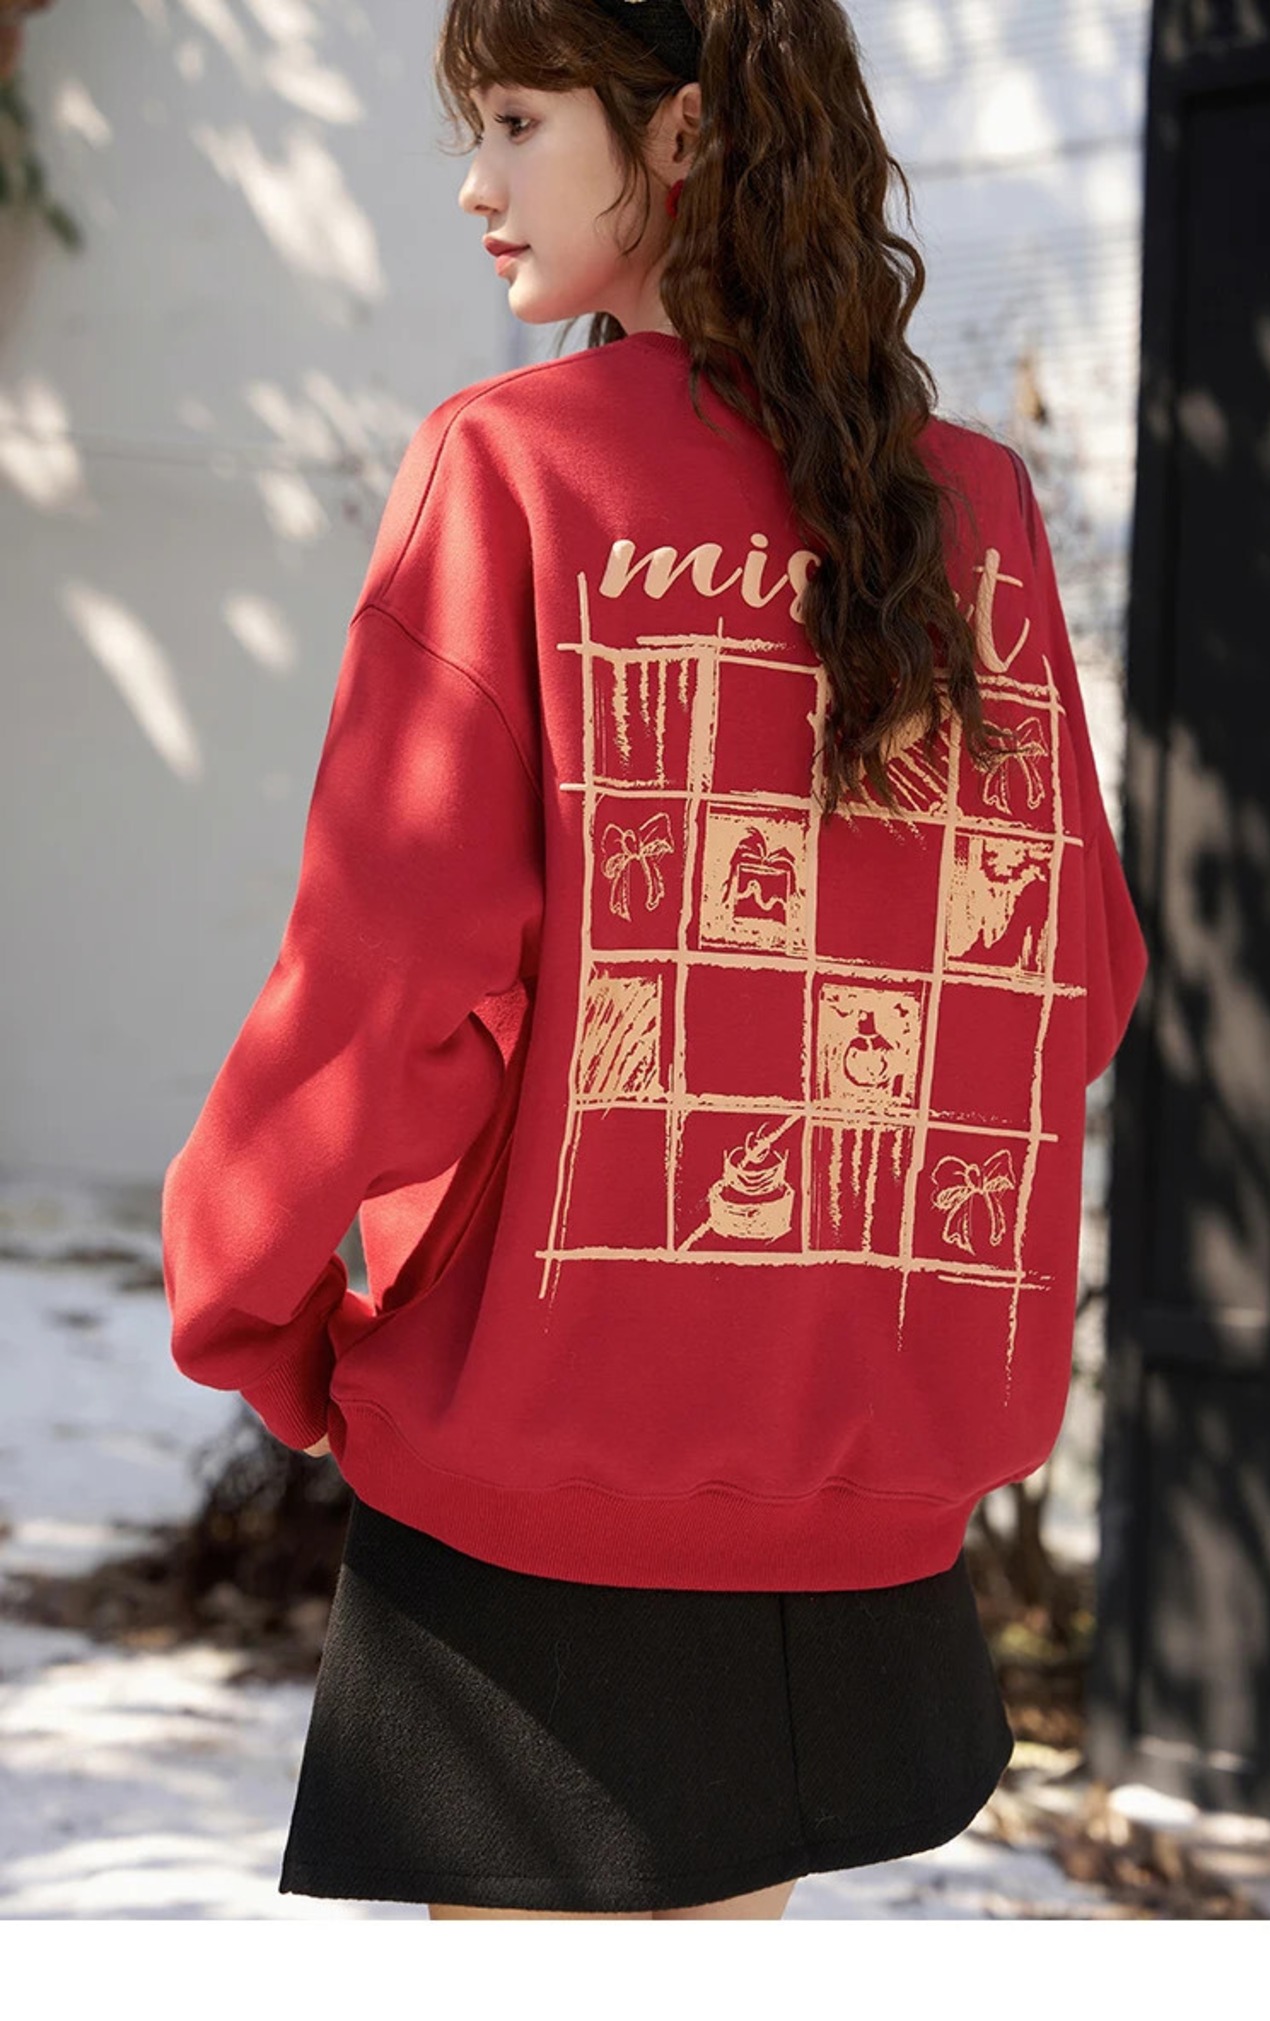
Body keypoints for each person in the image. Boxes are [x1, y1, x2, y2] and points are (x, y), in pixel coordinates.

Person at [160, 0, 1149, 1920]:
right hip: (856, 1531)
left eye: (520, 121)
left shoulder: (511, 473)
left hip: (548, 1532)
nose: (476, 184)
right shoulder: (974, 511)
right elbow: (1072, 983)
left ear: (682, 131)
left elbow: (382, 980)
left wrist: (252, 1297)